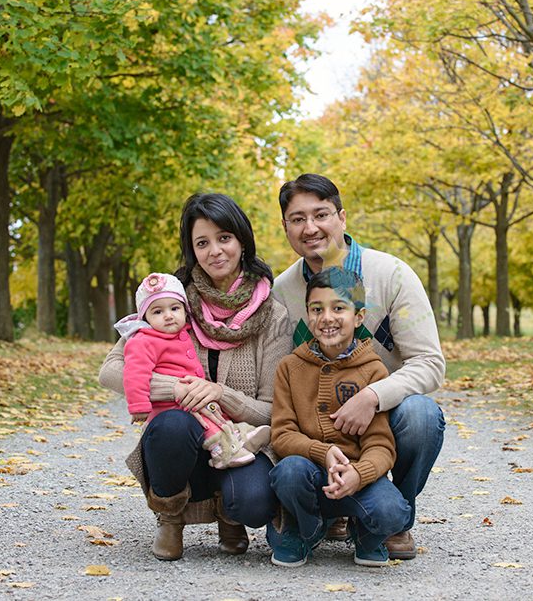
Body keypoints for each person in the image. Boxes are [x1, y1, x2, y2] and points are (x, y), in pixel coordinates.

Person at [98, 193, 292, 561]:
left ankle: (228, 516)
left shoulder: (273, 315)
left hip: (237, 441)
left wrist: (219, 393)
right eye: (202, 242)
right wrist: (177, 388)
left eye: (224, 238)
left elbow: (271, 410)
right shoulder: (170, 302)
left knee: (253, 502)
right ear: (191, 250)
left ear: (242, 240)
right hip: (185, 434)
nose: (215, 251)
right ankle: (170, 518)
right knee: (171, 426)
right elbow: (111, 370)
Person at [271, 173, 446, 560]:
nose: (310, 227)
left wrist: (373, 396)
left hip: (384, 414)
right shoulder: (283, 292)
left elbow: (430, 364)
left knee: (422, 415)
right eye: (297, 219)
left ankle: (392, 519)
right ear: (285, 227)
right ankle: (326, 510)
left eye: (321, 214)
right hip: (317, 430)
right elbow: (283, 374)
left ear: (342, 217)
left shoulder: (393, 275)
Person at [268, 267, 410, 567]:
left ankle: (365, 535)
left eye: (339, 308)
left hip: (355, 479)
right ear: (307, 315)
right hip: (310, 476)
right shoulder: (290, 368)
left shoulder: (373, 371)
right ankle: (307, 528)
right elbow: (281, 434)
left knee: (395, 511)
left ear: (358, 317)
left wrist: (360, 474)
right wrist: (323, 451)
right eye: (317, 309)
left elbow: (381, 446)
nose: (327, 318)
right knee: (288, 472)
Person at [117, 272, 271, 470]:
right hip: (168, 408)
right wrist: (139, 406)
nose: (168, 315)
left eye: (175, 308)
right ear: (144, 317)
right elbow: (134, 373)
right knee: (207, 425)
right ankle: (222, 452)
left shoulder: (187, 331)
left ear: (185, 309)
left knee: (213, 413)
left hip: (192, 401)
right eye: (157, 312)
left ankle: (240, 436)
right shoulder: (143, 340)